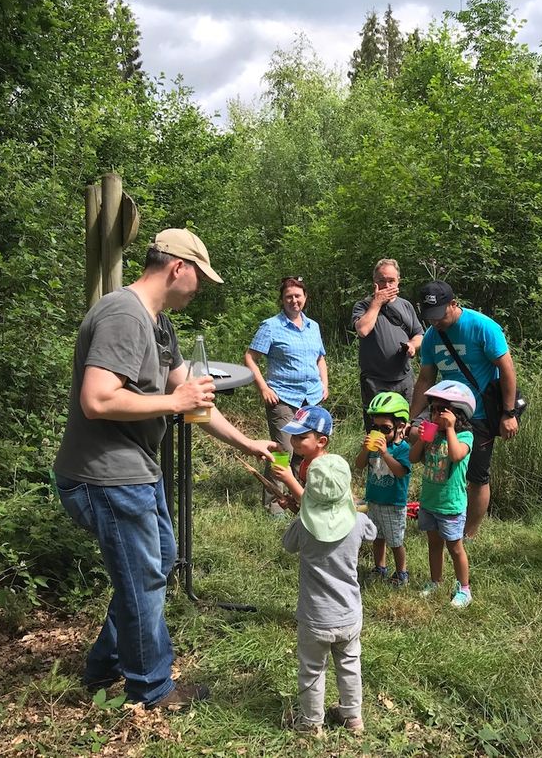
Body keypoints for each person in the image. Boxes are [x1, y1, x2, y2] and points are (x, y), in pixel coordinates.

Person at [52, 228, 276, 709]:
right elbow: (97, 399)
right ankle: (152, 688)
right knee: (144, 577)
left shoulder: (158, 324)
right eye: (200, 278)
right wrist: (173, 400)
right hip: (105, 475)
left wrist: (249, 442)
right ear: (179, 268)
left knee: (157, 564)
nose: (200, 289)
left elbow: (193, 404)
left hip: (138, 469)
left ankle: (103, 668)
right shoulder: (122, 314)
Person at [410, 281, 519, 539]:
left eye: (440, 316)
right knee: (443, 467)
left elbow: (506, 369)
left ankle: (468, 534)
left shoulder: (482, 327)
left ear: (453, 304)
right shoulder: (431, 337)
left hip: (480, 414)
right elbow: (426, 379)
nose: (435, 322)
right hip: (444, 415)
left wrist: (509, 413)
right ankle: (444, 520)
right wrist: (413, 419)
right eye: (430, 317)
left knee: (477, 476)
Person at [281, 454, 378, 736]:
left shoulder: (303, 525)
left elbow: (288, 545)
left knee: (312, 670)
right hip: (349, 614)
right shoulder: (358, 523)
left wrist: (299, 511)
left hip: (314, 618)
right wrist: (352, 502)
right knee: (349, 665)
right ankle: (353, 717)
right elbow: (371, 531)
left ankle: (312, 724)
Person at [244, 277, 329, 515]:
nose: (294, 300)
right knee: (283, 451)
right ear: (282, 300)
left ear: (305, 298)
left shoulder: (313, 326)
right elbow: (250, 357)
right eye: (288, 296)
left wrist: (325, 383)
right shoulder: (271, 326)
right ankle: (274, 505)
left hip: (310, 398)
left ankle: (300, 499)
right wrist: (264, 388)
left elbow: (320, 358)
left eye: (298, 296)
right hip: (282, 398)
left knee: (306, 449)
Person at [409, 380, 475, 608]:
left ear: (457, 413)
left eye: (442, 410)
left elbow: (456, 455)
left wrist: (448, 429)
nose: (435, 414)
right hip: (429, 502)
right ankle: (435, 581)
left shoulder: (465, 437)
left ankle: (464, 589)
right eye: (433, 409)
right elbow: (413, 458)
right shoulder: (431, 435)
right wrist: (423, 439)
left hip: (450, 504)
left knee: (455, 547)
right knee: (433, 543)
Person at [352, 259, 424, 428]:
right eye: (382, 280)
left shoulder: (406, 306)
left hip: (404, 379)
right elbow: (363, 330)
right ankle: (376, 456)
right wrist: (377, 303)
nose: (386, 285)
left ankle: (401, 455)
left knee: (405, 427)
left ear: (398, 281)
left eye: (391, 281)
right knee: (378, 430)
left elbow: (419, 334)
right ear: (374, 282)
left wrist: (412, 345)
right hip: (375, 381)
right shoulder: (363, 305)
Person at [354, 392, 412, 586]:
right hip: (374, 500)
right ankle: (380, 567)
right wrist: (365, 449)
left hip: (393, 504)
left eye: (385, 428)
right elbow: (359, 465)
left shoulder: (403, 449)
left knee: (395, 541)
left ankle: (401, 572)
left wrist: (385, 454)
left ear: (400, 427)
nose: (379, 432)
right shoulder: (372, 447)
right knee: (376, 537)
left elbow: (401, 472)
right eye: (375, 427)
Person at [269, 405, 334, 510]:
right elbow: (306, 496)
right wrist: (292, 501)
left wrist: (289, 479)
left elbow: (314, 504)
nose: (294, 441)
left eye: (301, 437)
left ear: (321, 441)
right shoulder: (305, 462)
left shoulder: (324, 468)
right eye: (293, 435)